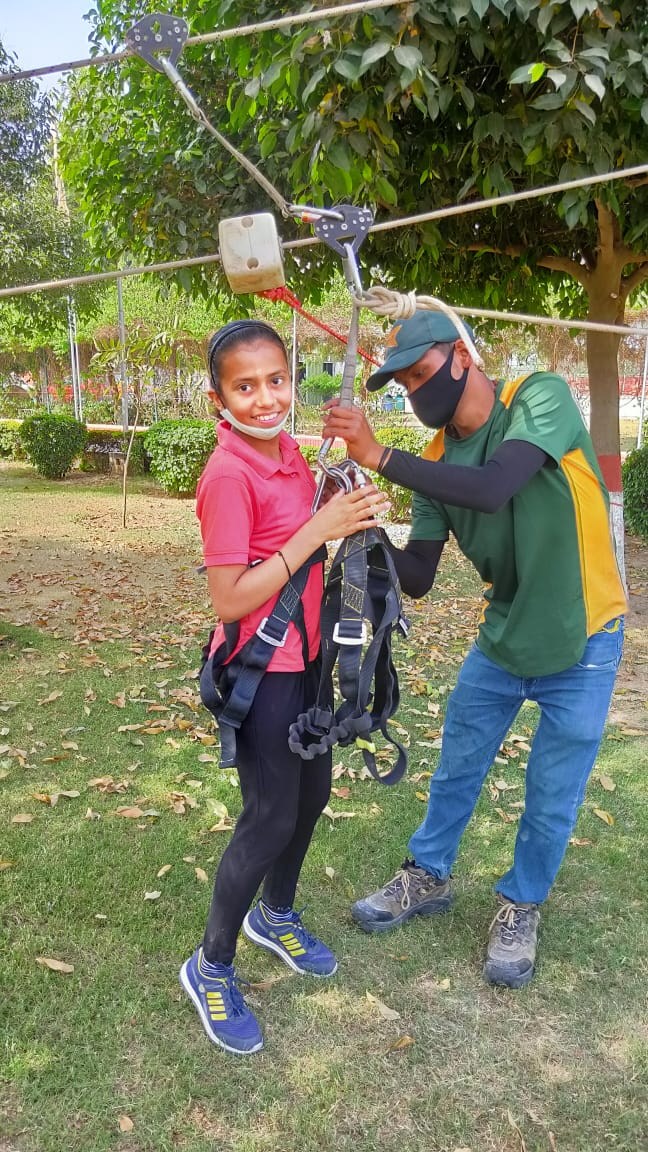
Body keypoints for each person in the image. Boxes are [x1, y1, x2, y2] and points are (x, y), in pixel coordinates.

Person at [321, 310, 627, 989]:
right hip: (504, 636)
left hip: (585, 636)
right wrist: (359, 527)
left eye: (422, 373)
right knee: (458, 765)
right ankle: (427, 875)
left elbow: (493, 486)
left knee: (551, 790)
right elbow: (420, 577)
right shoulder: (435, 461)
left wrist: (378, 456)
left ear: (462, 356)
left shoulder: (537, 397)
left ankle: (521, 904)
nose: (416, 391)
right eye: (404, 384)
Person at [180, 319, 388, 1054]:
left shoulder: (292, 455)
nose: (266, 398)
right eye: (245, 386)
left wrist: (345, 498)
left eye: (276, 380)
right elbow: (230, 597)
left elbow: (312, 533)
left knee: (311, 797)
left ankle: (275, 915)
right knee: (268, 818)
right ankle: (210, 964)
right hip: (260, 671)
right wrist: (317, 529)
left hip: (309, 664)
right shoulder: (228, 475)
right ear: (219, 398)